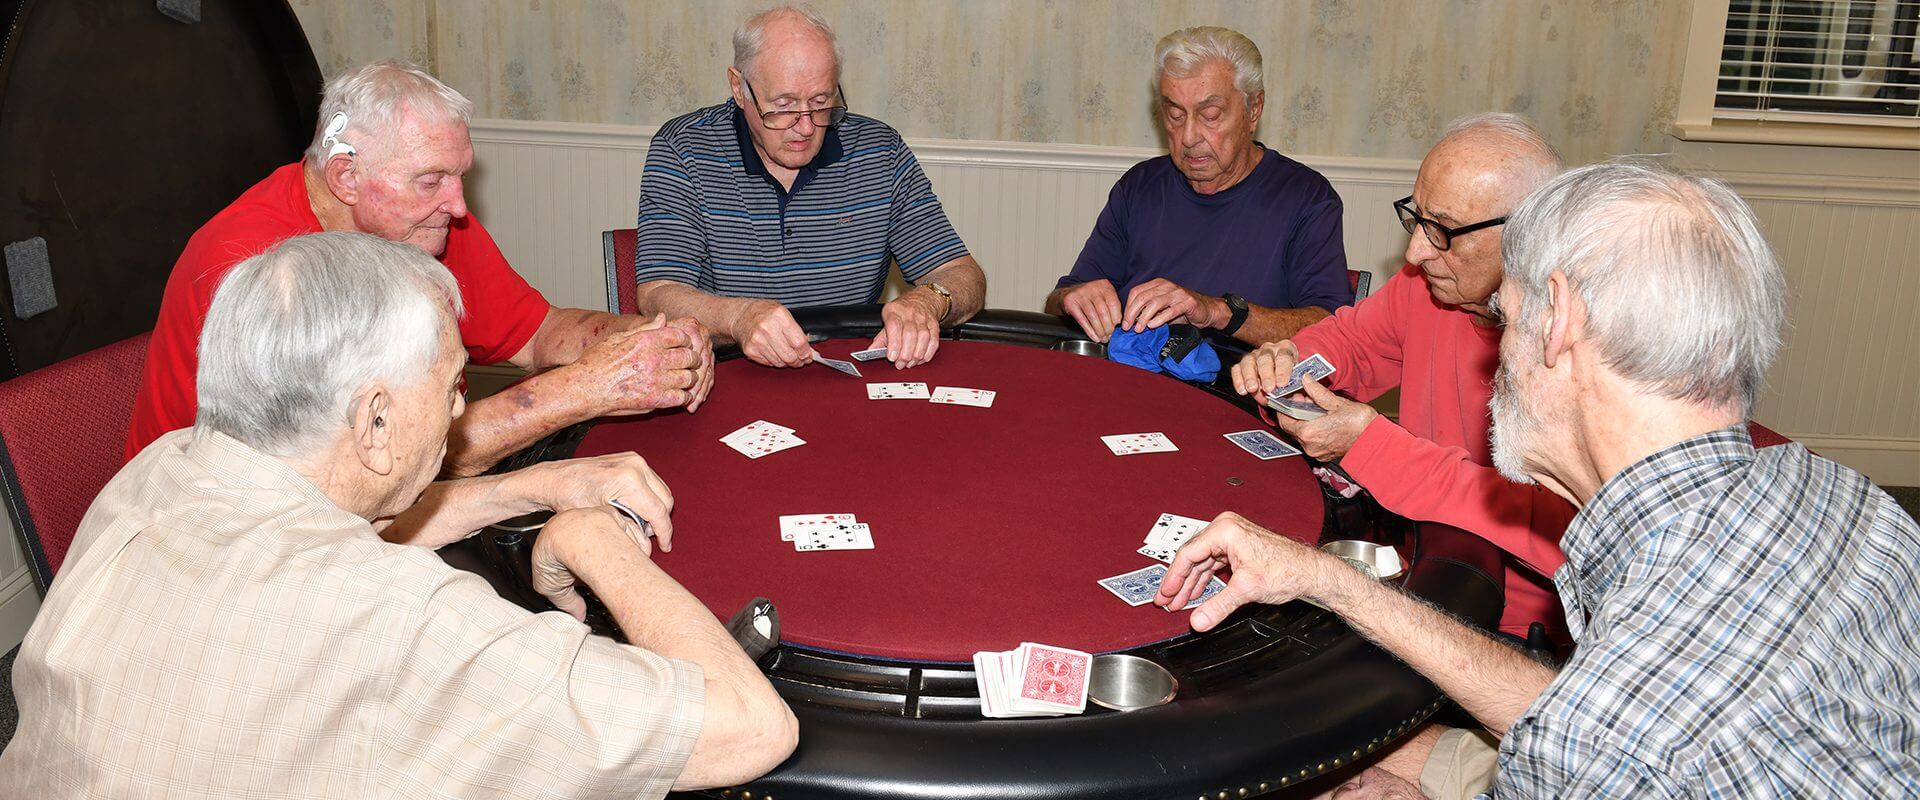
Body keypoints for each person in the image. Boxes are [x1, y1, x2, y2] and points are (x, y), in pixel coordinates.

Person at [1160, 161, 1920, 799]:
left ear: (1558, 323)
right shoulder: (1859, 504)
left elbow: (1604, 738)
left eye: (1508, 319)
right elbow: (1600, 707)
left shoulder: (1598, 747)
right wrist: (1329, 580)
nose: (1495, 358)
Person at [0, 233, 797, 797]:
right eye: (453, 384)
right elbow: (750, 728)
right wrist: (595, 542)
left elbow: (323, 529)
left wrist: (538, 486)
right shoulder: (399, 620)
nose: (461, 407)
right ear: (374, 420)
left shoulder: (158, 470)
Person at [128, 60, 716, 480]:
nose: (459, 206)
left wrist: (649, 340)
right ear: (346, 178)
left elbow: (537, 332)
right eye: (431, 180)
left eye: (458, 175)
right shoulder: (253, 270)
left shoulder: (415, 220)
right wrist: (585, 389)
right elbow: (373, 471)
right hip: (225, 537)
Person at [1230, 114, 1574, 643]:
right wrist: (1289, 361)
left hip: (1521, 628)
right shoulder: (1429, 286)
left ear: (1528, 237)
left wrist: (1369, 443)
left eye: (1442, 231)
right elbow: (1351, 343)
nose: (1414, 252)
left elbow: (1554, 526)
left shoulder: (1574, 347)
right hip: (1414, 565)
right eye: (1416, 218)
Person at [633, 6, 986, 370]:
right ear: (739, 88)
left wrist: (927, 302)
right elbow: (659, 294)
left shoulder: (879, 151)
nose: (804, 127)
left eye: (820, 102)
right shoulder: (684, 149)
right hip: (726, 373)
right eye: (782, 106)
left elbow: (963, 275)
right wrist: (739, 317)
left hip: (847, 377)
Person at [1046, 26, 1352, 347]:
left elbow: (1330, 326)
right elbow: (1061, 299)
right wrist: (1073, 299)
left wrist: (1216, 311)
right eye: (1175, 114)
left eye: (1210, 115)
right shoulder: (1139, 188)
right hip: (1133, 381)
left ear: (1253, 110)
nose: (1189, 137)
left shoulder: (1306, 198)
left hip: (1239, 391)